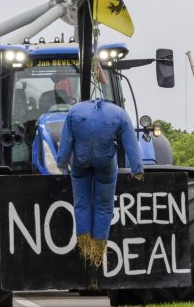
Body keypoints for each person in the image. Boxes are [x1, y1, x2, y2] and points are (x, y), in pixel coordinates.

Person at [56, 98, 144, 268]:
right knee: (104, 205)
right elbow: (130, 143)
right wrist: (137, 169)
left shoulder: (74, 111)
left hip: (80, 162)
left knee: (81, 203)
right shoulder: (119, 113)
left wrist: (61, 163)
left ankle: (84, 245)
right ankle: (97, 250)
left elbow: (66, 140)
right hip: (105, 163)